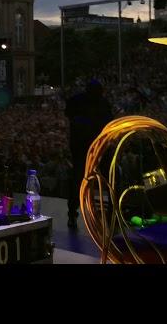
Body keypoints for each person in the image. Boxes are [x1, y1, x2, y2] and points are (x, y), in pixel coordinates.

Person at [64, 79, 113, 229]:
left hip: (91, 148)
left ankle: (74, 213)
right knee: (81, 180)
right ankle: (74, 213)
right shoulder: (86, 102)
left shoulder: (81, 101)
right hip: (86, 149)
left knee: (80, 181)